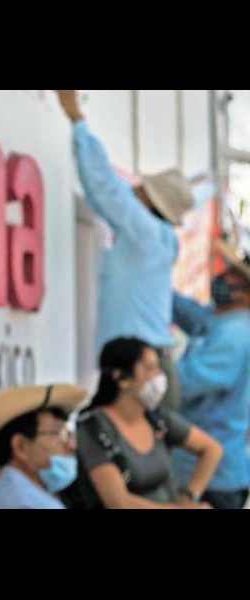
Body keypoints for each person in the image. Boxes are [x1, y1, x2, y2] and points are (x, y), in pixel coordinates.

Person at [56, 90, 195, 411]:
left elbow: (103, 183)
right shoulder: (163, 239)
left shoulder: (143, 231)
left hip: (138, 367)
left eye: (140, 189)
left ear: (149, 198)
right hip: (152, 364)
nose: (133, 190)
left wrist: (77, 119)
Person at [73, 337, 222, 509]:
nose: (159, 376)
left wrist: (190, 496)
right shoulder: (94, 428)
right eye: (150, 369)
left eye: (158, 367)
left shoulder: (155, 418)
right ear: (121, 378)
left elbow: (211, 449)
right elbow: (119, 503)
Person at [171, 239, 250, 509]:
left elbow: (185, 384)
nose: (222, 276)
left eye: (233, 276)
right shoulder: (222, 320)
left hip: (212, 479)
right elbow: (191, 314)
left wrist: (147, 373)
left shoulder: (234, 334)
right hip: (206, 471)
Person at [0, 384, 88, 509]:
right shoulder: (21, 504)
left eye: (68, 434)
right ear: (20, 447)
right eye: (59, 434)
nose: (71, 445)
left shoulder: (28, 493)